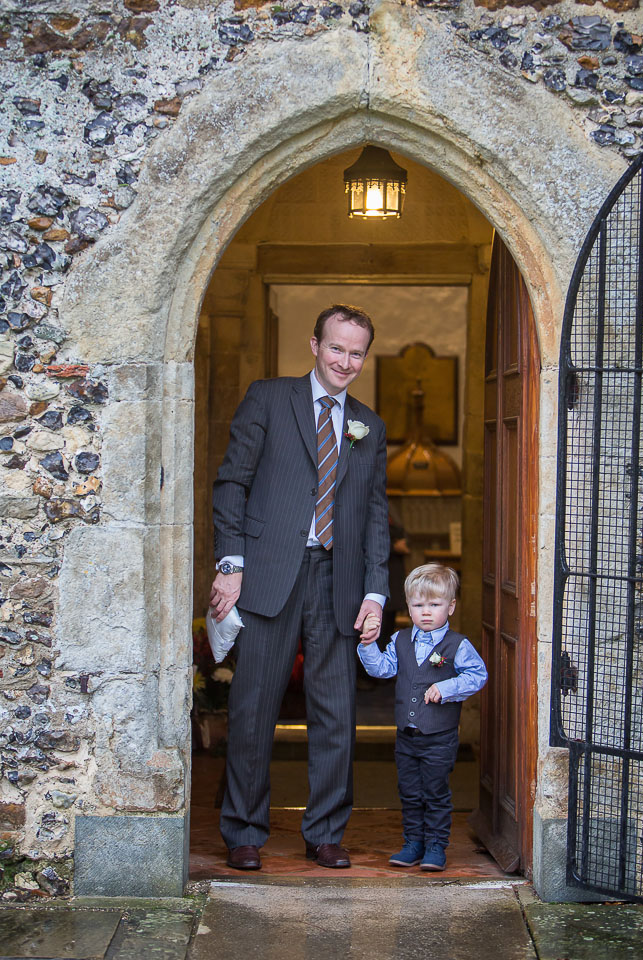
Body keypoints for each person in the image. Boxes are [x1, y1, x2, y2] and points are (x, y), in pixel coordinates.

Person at [210, 304, 389, 871]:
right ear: (315, 345)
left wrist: (376, 592)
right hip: (269, 573)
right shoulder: (268, 398)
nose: (345, 362)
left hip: (339, 580)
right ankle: (243, 831)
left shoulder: (369, 425)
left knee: (336, 714)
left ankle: (326, 832)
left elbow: (376, 514)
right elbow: (231, 483)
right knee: (253, 707)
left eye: (356, 353)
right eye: (336, 348)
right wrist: (230, 564)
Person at [358, 563, 487, 872]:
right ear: (408, 606)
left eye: (434, 605)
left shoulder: (457, 645)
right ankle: (413, 843)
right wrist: (368, 644)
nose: (426, 612)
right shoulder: (400, 640)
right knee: (410, 792)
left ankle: (435, 846)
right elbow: (382, 669)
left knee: (435, 792)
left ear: (450, 607)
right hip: (406, 737)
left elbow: (478, 675)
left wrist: (446, 687)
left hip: (439, 738)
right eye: (418, 605)